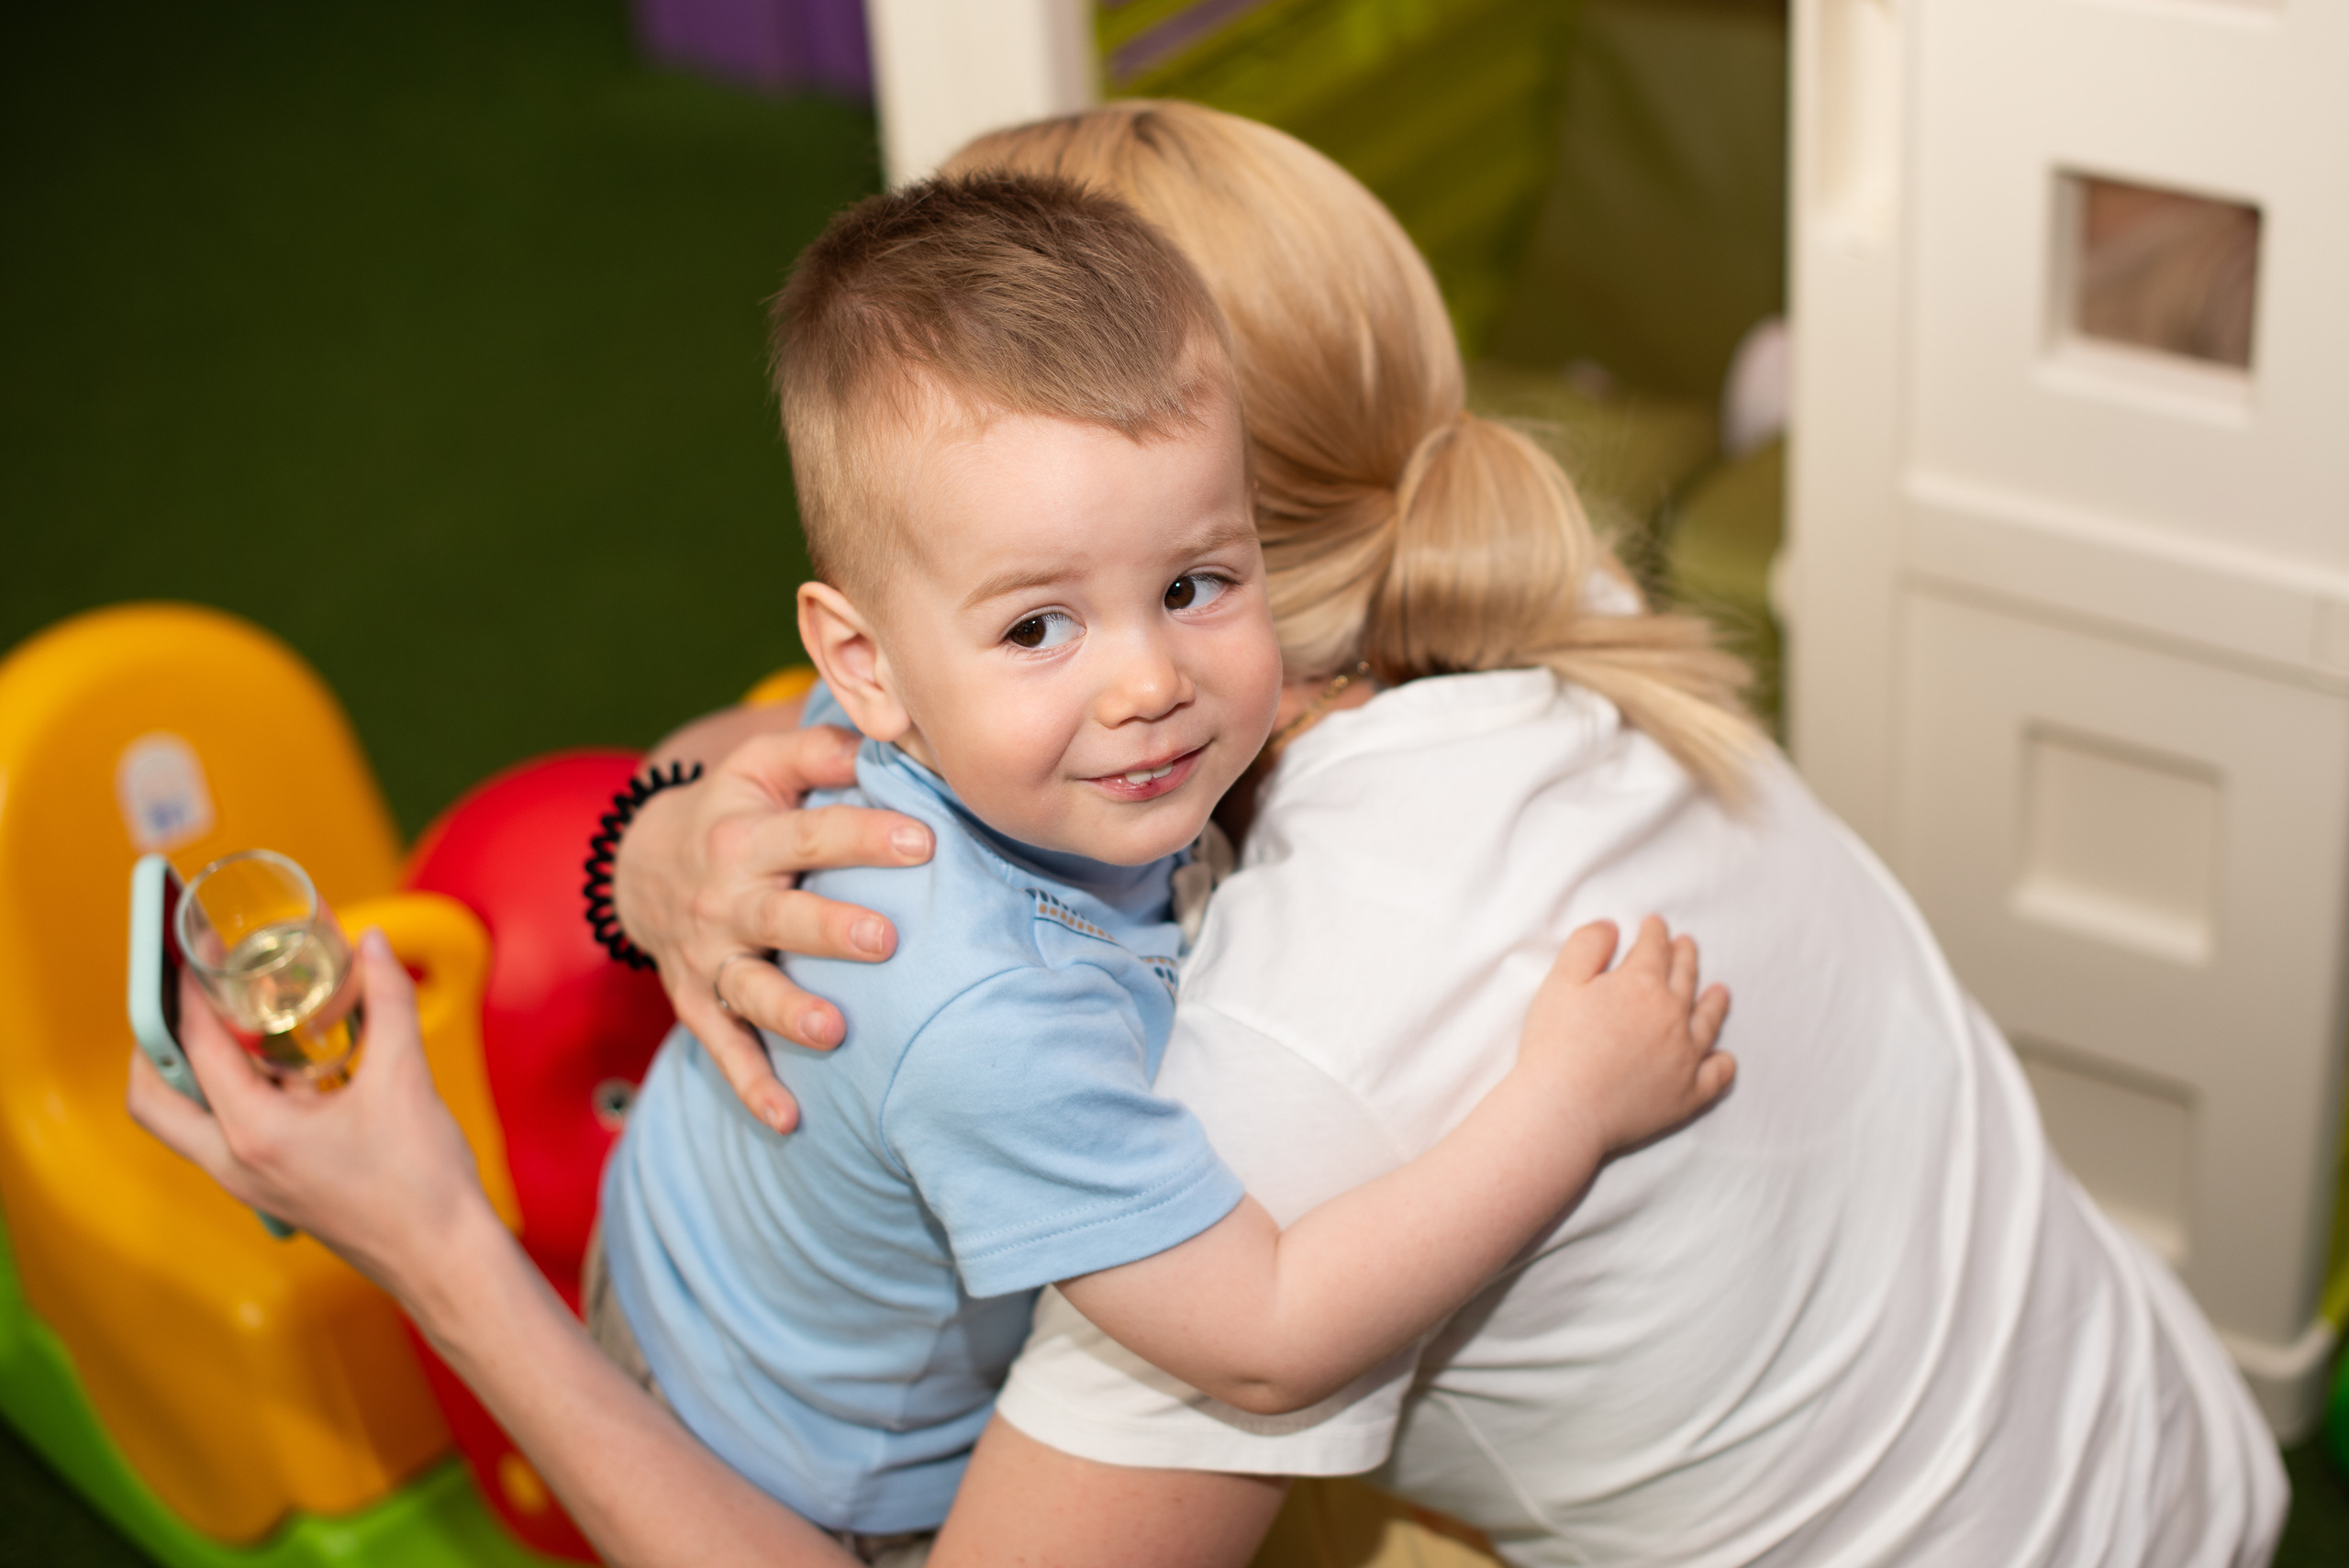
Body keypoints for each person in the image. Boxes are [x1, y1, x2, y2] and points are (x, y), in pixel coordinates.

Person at [130, 102, 2285, 1568]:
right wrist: (661, 841)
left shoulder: (1270, 1071)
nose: (1118, 653)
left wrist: (426, 1234)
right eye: (1026, 602)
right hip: (2158, 1467)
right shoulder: (1507, 603)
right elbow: (779, 721)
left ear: (1223, 523)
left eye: (1160, 582)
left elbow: (1256, 1303)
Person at [588, 167, 1732, 1554]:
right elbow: (1263, 1335)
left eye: (1196, 584)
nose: (1148, 683)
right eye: (1038, 628)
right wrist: (1571, 1104)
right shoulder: (983, 1016)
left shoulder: (939, 712)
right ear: (865, 662)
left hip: (696, 1245)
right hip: (795, 1454)